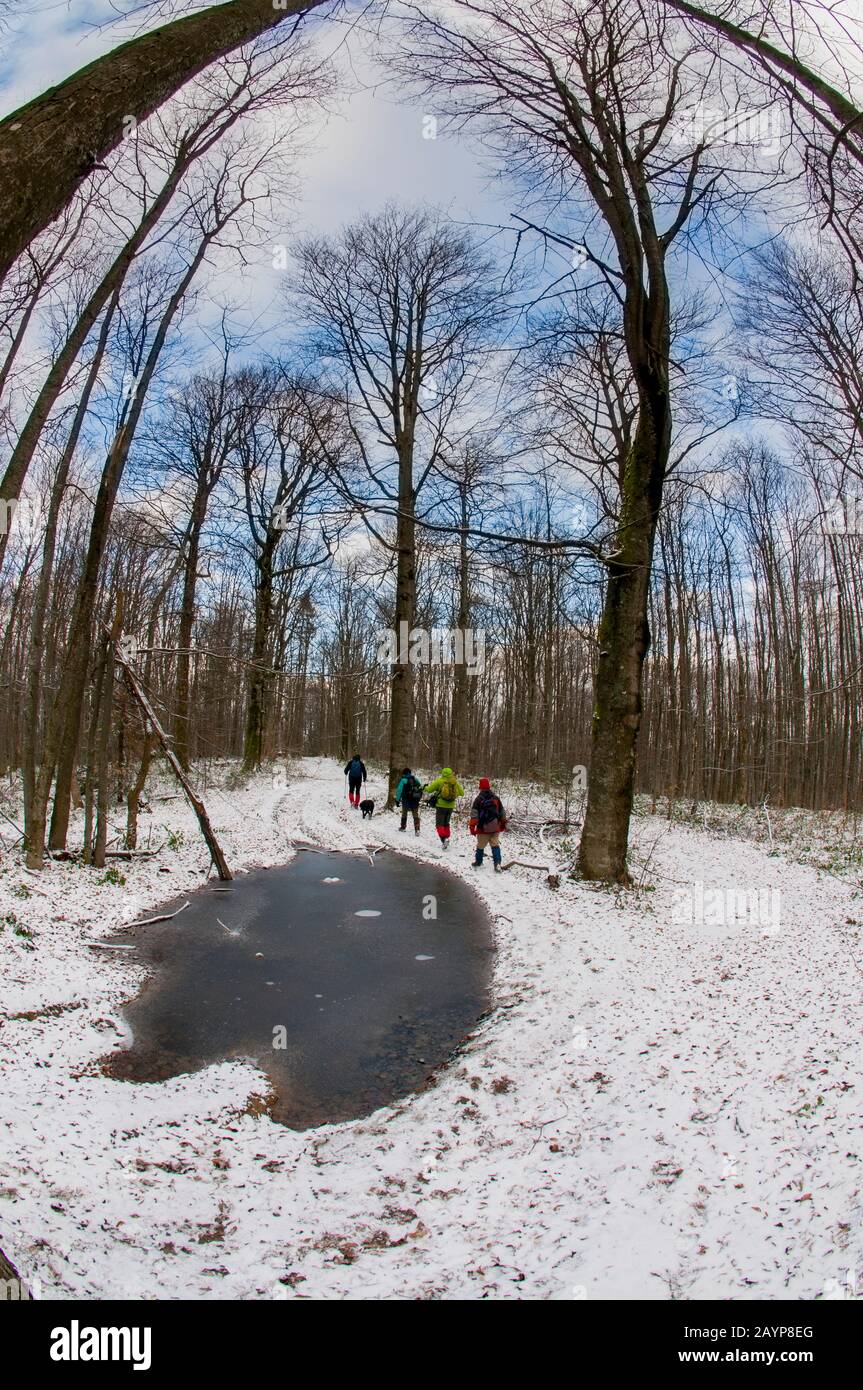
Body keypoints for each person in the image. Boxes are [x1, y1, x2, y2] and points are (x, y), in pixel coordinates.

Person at [469, 777, 507, 871]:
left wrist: (472, 827)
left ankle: (478, 862)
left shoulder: (478, 799)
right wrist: (503, 824)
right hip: (495, 827)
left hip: (482, 828)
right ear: (489, 786)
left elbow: (474, 815)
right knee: (495, 845)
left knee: (480, 846)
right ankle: (497, 863)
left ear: (480, 787)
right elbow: (502, 812)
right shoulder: (496, 798)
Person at [423, 766, 464, 850]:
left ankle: (444, 839)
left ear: (442, 773)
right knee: (446, 823)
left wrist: (424, 788)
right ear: (451, 773)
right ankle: (447, 837)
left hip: (441, 806)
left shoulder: (439, 781)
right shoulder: (454, 782)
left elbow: (429, 790)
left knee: (439, 824)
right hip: (451, 806)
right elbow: (462, 793)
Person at [395, 766, 423, 835]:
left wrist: (397, 800)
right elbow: (420, 786)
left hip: (406, 799)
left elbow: (399, 790)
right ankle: (417, 830)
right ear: (410, 773)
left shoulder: (403, 780)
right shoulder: (415, 779)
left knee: (404, 813)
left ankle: (403, 827)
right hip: (414, 799)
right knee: (415, 814)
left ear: (404, 773)